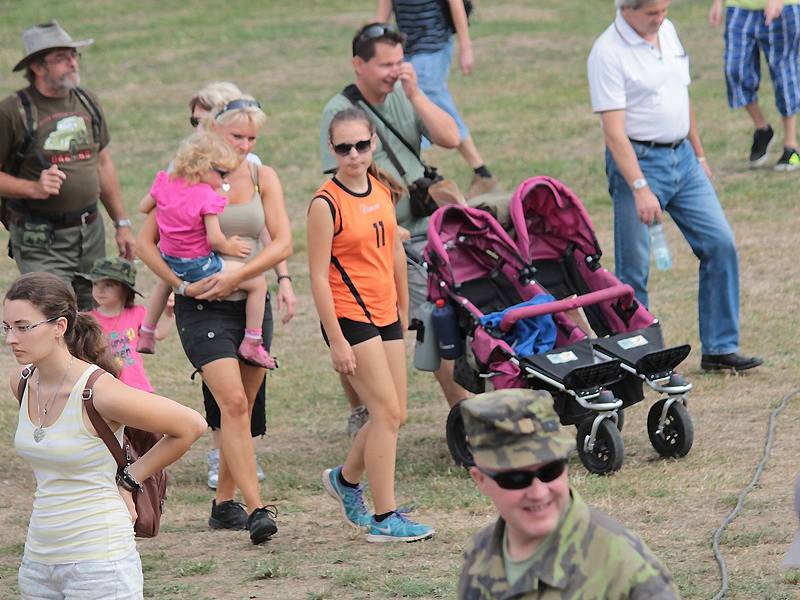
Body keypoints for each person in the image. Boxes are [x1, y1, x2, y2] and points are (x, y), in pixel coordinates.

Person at [137, 94, 291, 545]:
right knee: (234, 404)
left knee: (239, 407)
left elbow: (282, 243)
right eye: (235, 135)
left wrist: (243, 276)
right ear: (212, 134)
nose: (244, 145)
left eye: (251, 137)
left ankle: (224, 505)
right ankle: (256, 507)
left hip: (248, 303)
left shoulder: (264, 176)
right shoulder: (184, 177)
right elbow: (147, 243)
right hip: (200, 304)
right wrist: (179, 286)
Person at [5, 272, 205, 599]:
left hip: (98, 560)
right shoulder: (22, 383)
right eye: (7, 327)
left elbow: (190, 426)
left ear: (60, 327)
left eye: (23, 327)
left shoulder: (99, 392)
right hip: (37, 561)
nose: (12, 338)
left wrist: (129, 480)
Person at [587, 0, 763, 372]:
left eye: (664, 10)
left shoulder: (665, 31)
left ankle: (720, 347)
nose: (660, 18)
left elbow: (680, 97)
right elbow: (614, 133)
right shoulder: (607, 53)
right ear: (626, 9)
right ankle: (641, 357)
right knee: (634, 271)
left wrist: (698, 154)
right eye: (652, 13)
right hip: (639, 163)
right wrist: (639, 186)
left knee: (720, 243)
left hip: (683, 158)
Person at [320, 21, 470, 435]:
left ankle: (462, 406)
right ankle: (459, 410)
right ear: (358, 65)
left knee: (455, 305)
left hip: (428, 227)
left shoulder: (405, 95)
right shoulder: (341, 114)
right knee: (428, 313)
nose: (394, 71)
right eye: (385, 64)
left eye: (399, 61)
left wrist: (417, 94)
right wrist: (385, 221)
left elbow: (451, 136)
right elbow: (344, 181)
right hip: (380, 237)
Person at [311, 106, 433, 543]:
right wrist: (337, 341)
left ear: (373, 143)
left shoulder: (381, 189)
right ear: (332, 149)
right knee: (384, 414)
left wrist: (402, 307)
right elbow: (318, 277)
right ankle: (385, 518)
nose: (354, 155)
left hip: (385, 314)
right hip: (349, 316)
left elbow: (395, 251)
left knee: (394, 413)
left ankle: (346, 481)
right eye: (344, 148)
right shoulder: (326, 203)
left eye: (361, 145)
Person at [457, 388, 680, 598]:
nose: (538, 492)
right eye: (515, 479)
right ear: (481, 480)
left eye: (550, 470)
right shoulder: (480, 553)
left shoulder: (626, 570)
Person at [0, 21, 135, 311]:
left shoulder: (86, 101)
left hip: (90, 231)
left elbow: (104, 162)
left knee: (91, 317)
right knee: (50, 315)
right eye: (62, 57)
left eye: (74, 55)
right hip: (40, 237)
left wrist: (121, 223)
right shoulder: (13, 111)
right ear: (37, 67)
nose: (72, 62)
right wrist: (33, 188)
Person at [141, 130, 275, 369]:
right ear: (203, 167)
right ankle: (253, 341)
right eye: (222, 173)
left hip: (171, 260)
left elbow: (144, 207)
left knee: (165, 284)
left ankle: (147, 332)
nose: (224, 181)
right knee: (257, 282)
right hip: (199, 265)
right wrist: (230, 246)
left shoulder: (165, 181)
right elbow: (214, 239)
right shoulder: (206, 196)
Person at [376, 0, 497, 198]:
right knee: (424, 108)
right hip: (405, 50)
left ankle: (411, 177)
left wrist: (466, 46)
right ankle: (481, 172)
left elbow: (456, 5)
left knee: (426, 107)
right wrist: (371, 48)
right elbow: (382, 14)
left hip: (433, 48)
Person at [709, 0, 800, 170]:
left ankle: (792, 147)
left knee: (784, 75)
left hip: (784, 7)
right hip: (739, 7)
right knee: (734, 71)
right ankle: (763, 129)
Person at [80, 256, 172, 393]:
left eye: (108, 285)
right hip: (102, 387)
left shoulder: (137, 313)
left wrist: (170, 315)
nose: (99, 290)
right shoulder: (86, 320)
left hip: (135, 386)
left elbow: (158, 335)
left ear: (125, 289)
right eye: (95, 283)